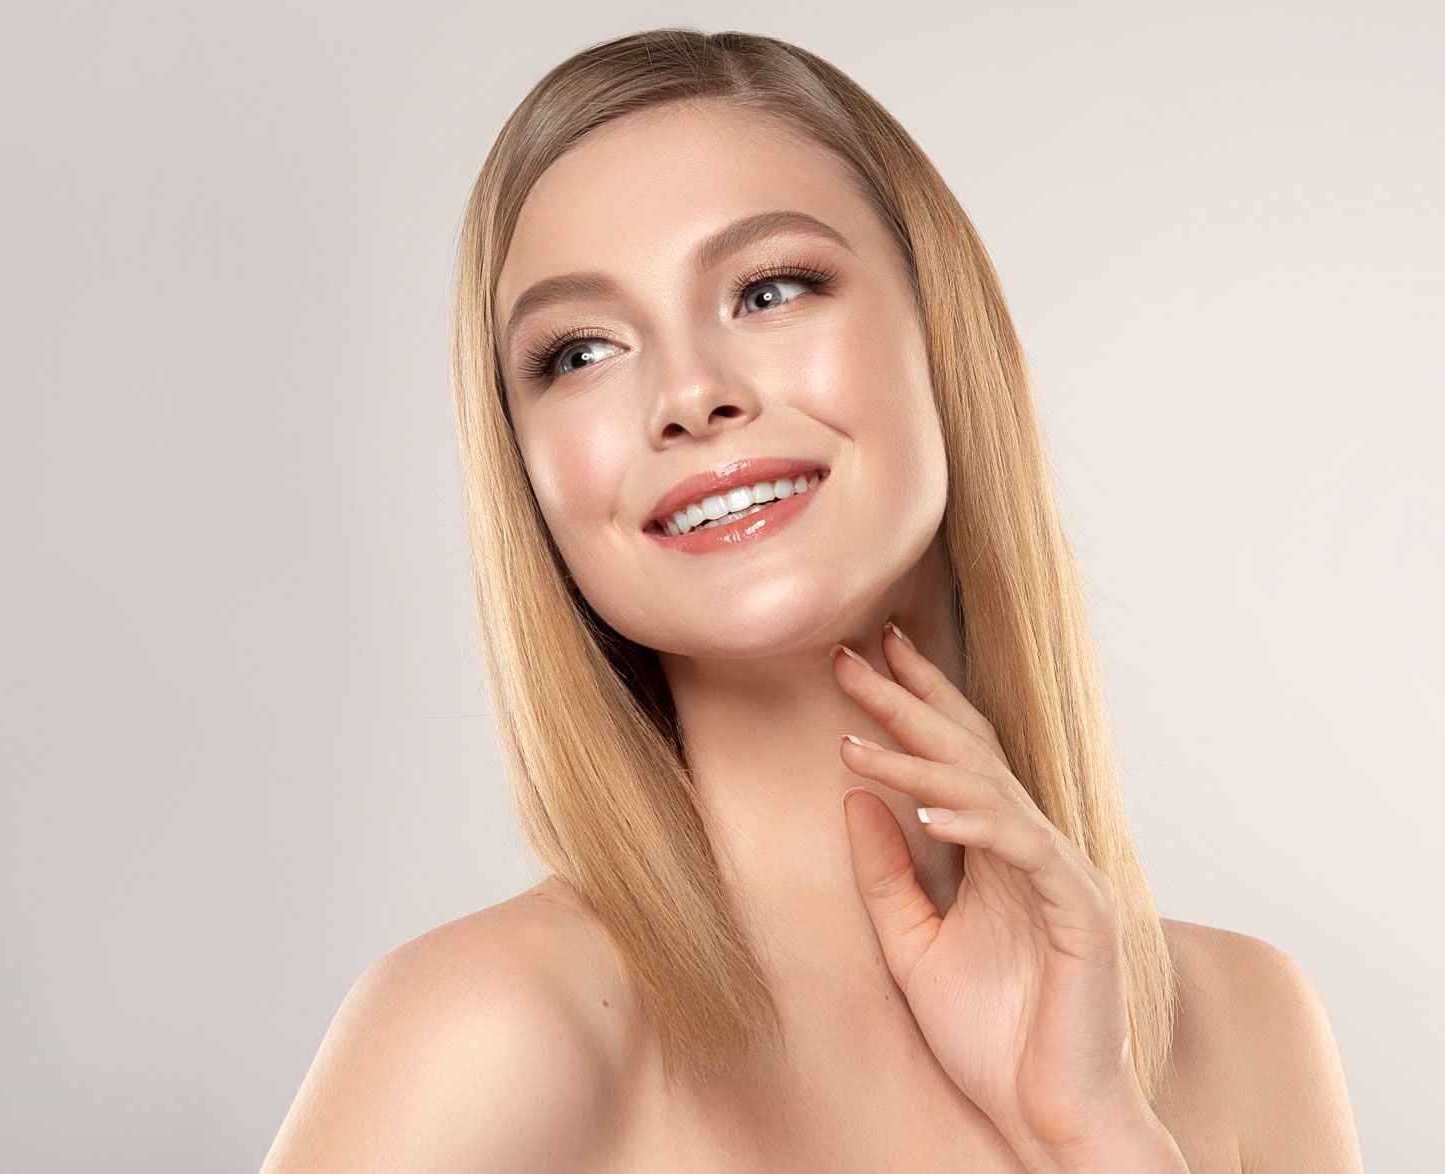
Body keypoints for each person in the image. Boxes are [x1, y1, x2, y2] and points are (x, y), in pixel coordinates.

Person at [262, 27, 1362, 1173]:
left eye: (770, 288)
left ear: (942, 333)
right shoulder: (482, 1035)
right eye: (580, 351)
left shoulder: (1246, 1030)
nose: (688, 394)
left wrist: (1091, 1137)